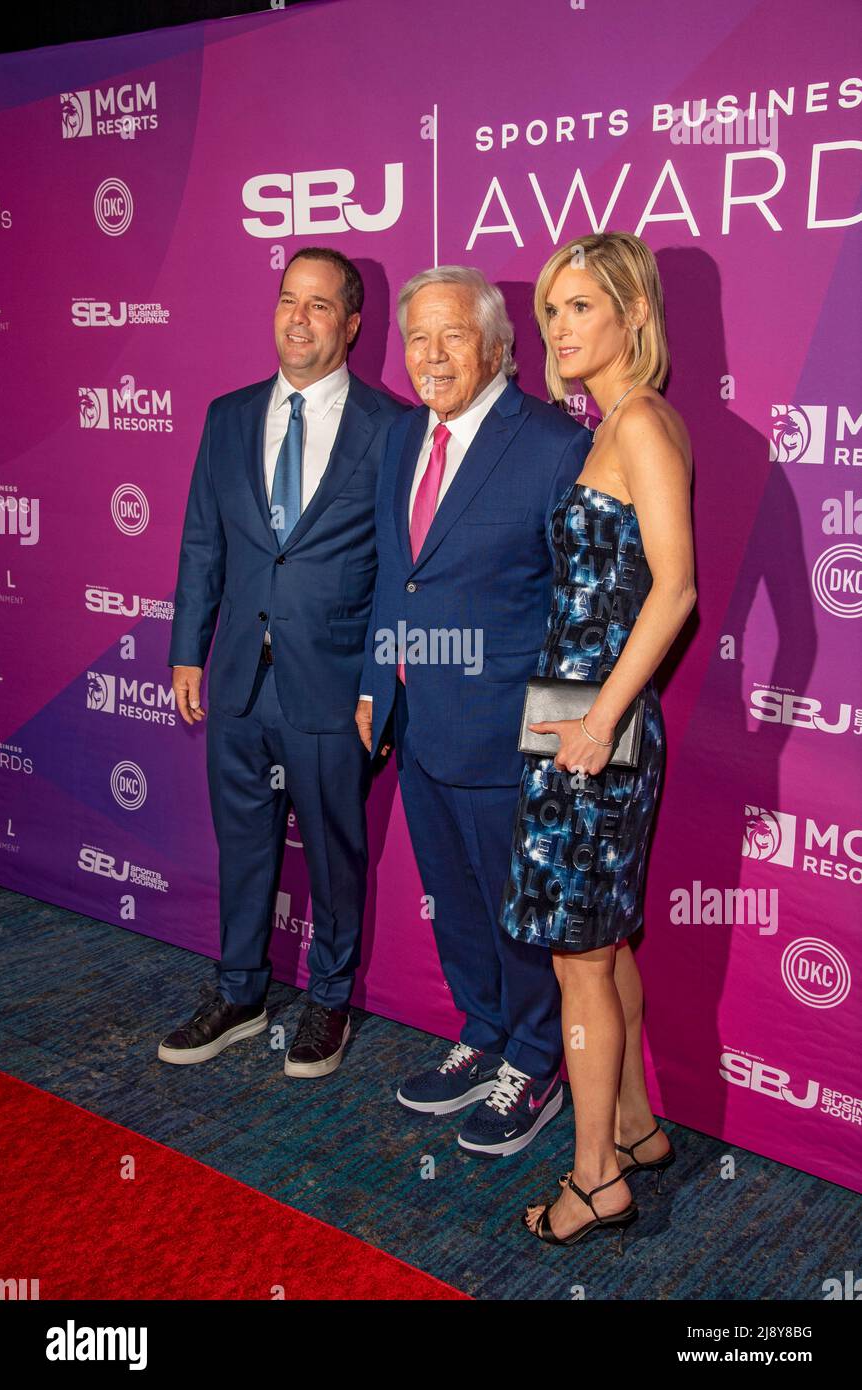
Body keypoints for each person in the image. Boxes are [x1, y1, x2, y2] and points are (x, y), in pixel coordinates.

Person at [356, 265, 591, 1156]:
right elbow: (396, 578)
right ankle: (483, 1031)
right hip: (419, 729)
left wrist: (557, 740)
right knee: (455, 901)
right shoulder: (402, 439)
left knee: (516, 910)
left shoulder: (550, 446)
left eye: (453, 334)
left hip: (511, 738)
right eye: (418, 337)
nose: (432, 354)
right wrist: (378, 686)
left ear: (499, 344)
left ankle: (534, 1061)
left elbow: (580, 610)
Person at [161, 248, 406, 1077]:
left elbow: (398, 573)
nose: (298, 320)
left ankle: (328, 1001)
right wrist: (188, 649)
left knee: (336, 854)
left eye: (319, 306)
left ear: (352, 323)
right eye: (286, 301)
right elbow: (203, 540)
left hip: (333, 687)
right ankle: (240, 991)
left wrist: (379, 682)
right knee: (244, 845)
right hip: (236, 679)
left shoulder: (391, 428)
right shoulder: (227, 415)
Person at [498, 232, 696, 1249]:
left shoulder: (644, 426)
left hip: (593, 721)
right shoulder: (611, 426)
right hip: (566, 712)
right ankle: (628, 1124)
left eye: (579, 307)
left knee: (579, 957)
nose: (559, 329)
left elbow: (675, 589)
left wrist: (601, 718)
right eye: (550, 312)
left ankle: (593, 1181)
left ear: (632, 314)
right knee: (597, 940)